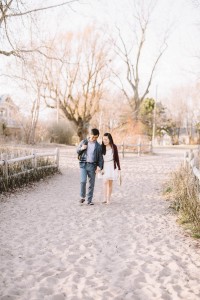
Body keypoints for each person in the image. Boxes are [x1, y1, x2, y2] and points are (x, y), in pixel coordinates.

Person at [77, 128, 103, 205]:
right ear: (90, 135)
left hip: (92, 166)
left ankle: (89, 200)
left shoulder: (98, 146)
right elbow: (77, 151)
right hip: (83, 164)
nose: (94, 139)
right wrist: (82, 148)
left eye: (96, 137)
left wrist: (99, 166)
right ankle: (82, 197)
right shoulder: (84, 142)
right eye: (93, 137)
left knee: (91, 184)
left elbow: (100, 158)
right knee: (83, 181)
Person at [100, 132, 121, 204]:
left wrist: (119, 168)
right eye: (103, 139)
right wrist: (99, 167)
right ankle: (105, 198)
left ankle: (108, 199)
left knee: (110, 183)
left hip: (111, 165)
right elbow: (99, 158)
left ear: (109, 139)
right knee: (105, 182)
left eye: (106, 139)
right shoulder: (101, 147)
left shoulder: (113, 147)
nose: (104, 141)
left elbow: (117, 158)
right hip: (104, 166)